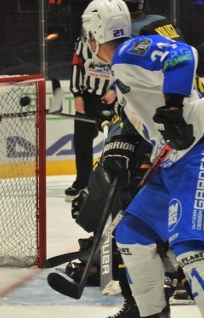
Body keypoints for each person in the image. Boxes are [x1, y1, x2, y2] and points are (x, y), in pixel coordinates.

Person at [67, 0, 204, 318]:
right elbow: (139, 118)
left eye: (88, 35)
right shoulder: (121, 69)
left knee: (189, 245)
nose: (87, 44)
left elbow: (182, 55)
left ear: (97, 33)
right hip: (174, 160)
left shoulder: (131, 50)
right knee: (132, 231)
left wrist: (173, 108)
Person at [65, 36, 117, 202]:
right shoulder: (82, 42)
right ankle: (82, 182)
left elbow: (128, 69)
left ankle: (115, 182)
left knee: (115, 140)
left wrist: (116, 90)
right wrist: (77, 95)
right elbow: (77, 66)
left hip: (113, 99)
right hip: (88, 98)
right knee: (81, 140)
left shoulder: (120, 41)